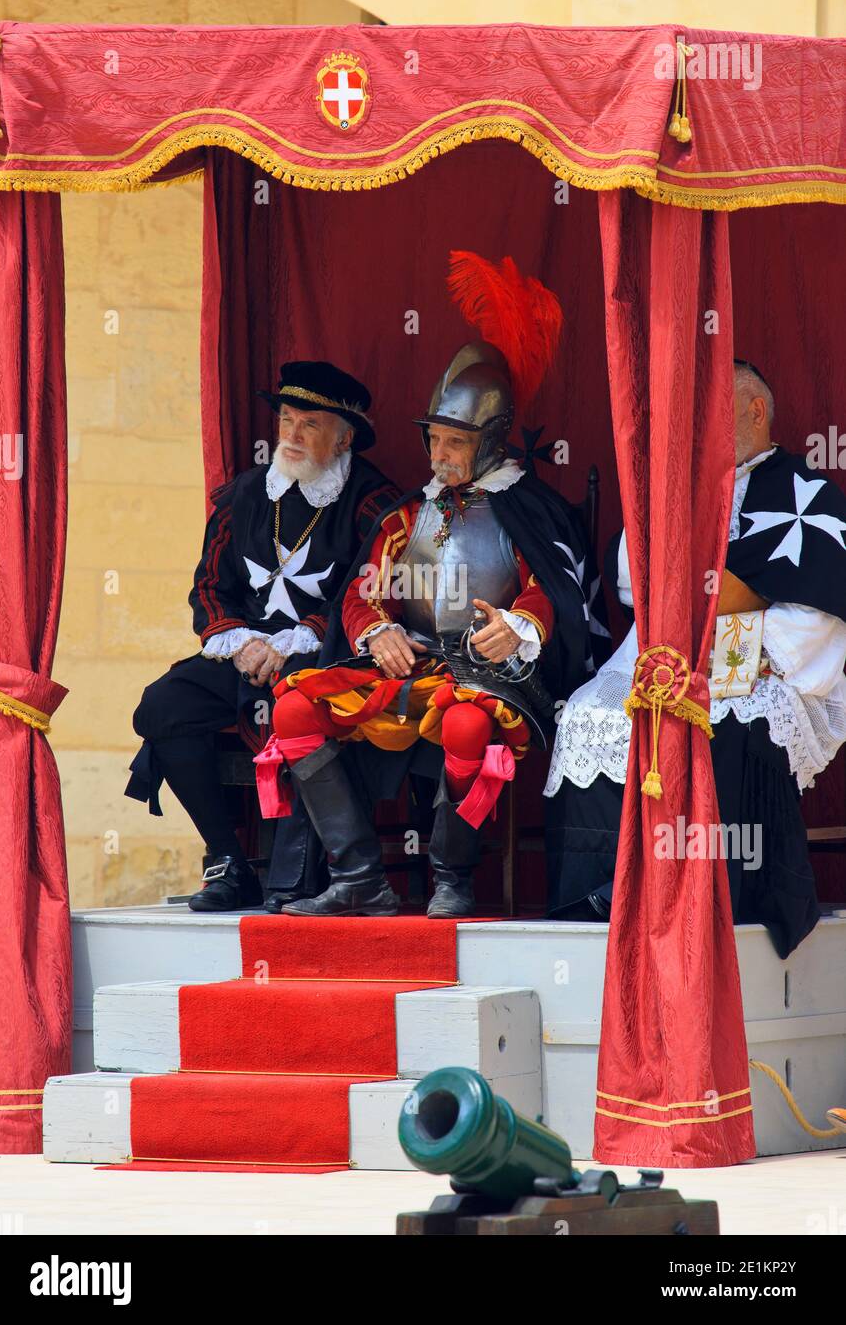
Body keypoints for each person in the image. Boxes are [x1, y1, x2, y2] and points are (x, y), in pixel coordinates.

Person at [256, 252, 604, 918]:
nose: (438, 456)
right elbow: (362, 591)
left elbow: (549, 591)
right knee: (294, 710)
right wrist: (378, 630)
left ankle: (453, 878)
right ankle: (360, 876)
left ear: (494, 441)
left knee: (471, 724)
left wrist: (521, 628)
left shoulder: (527, 511)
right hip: (405, 670)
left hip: (485, 677)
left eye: (453, 444)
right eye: (434, 442)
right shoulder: (408, 514)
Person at [545, 359, 846, 958]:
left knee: (725, 719)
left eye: (709, 414)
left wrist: (741, 649)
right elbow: (633, 585)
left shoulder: (808, 497)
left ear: (754, 412)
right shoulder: (679, 485)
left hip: (759, 665)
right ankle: (606, 888)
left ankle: (714, 887)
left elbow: (819, 612)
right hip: (665, 646)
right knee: (588, 715)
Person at [124, 362, 398, 913]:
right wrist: (240, 640)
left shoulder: (375, 504)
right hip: (242, 653)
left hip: (325, 658)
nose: (292, 436)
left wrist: (295, 643)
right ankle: (227, 860)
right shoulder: (246, 495)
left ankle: (304, 876)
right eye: (287, 420)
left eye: (310, 425)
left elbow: (371, 594)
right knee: (161, 706)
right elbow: (208, 587)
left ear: (343, 437)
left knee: (299, 713)